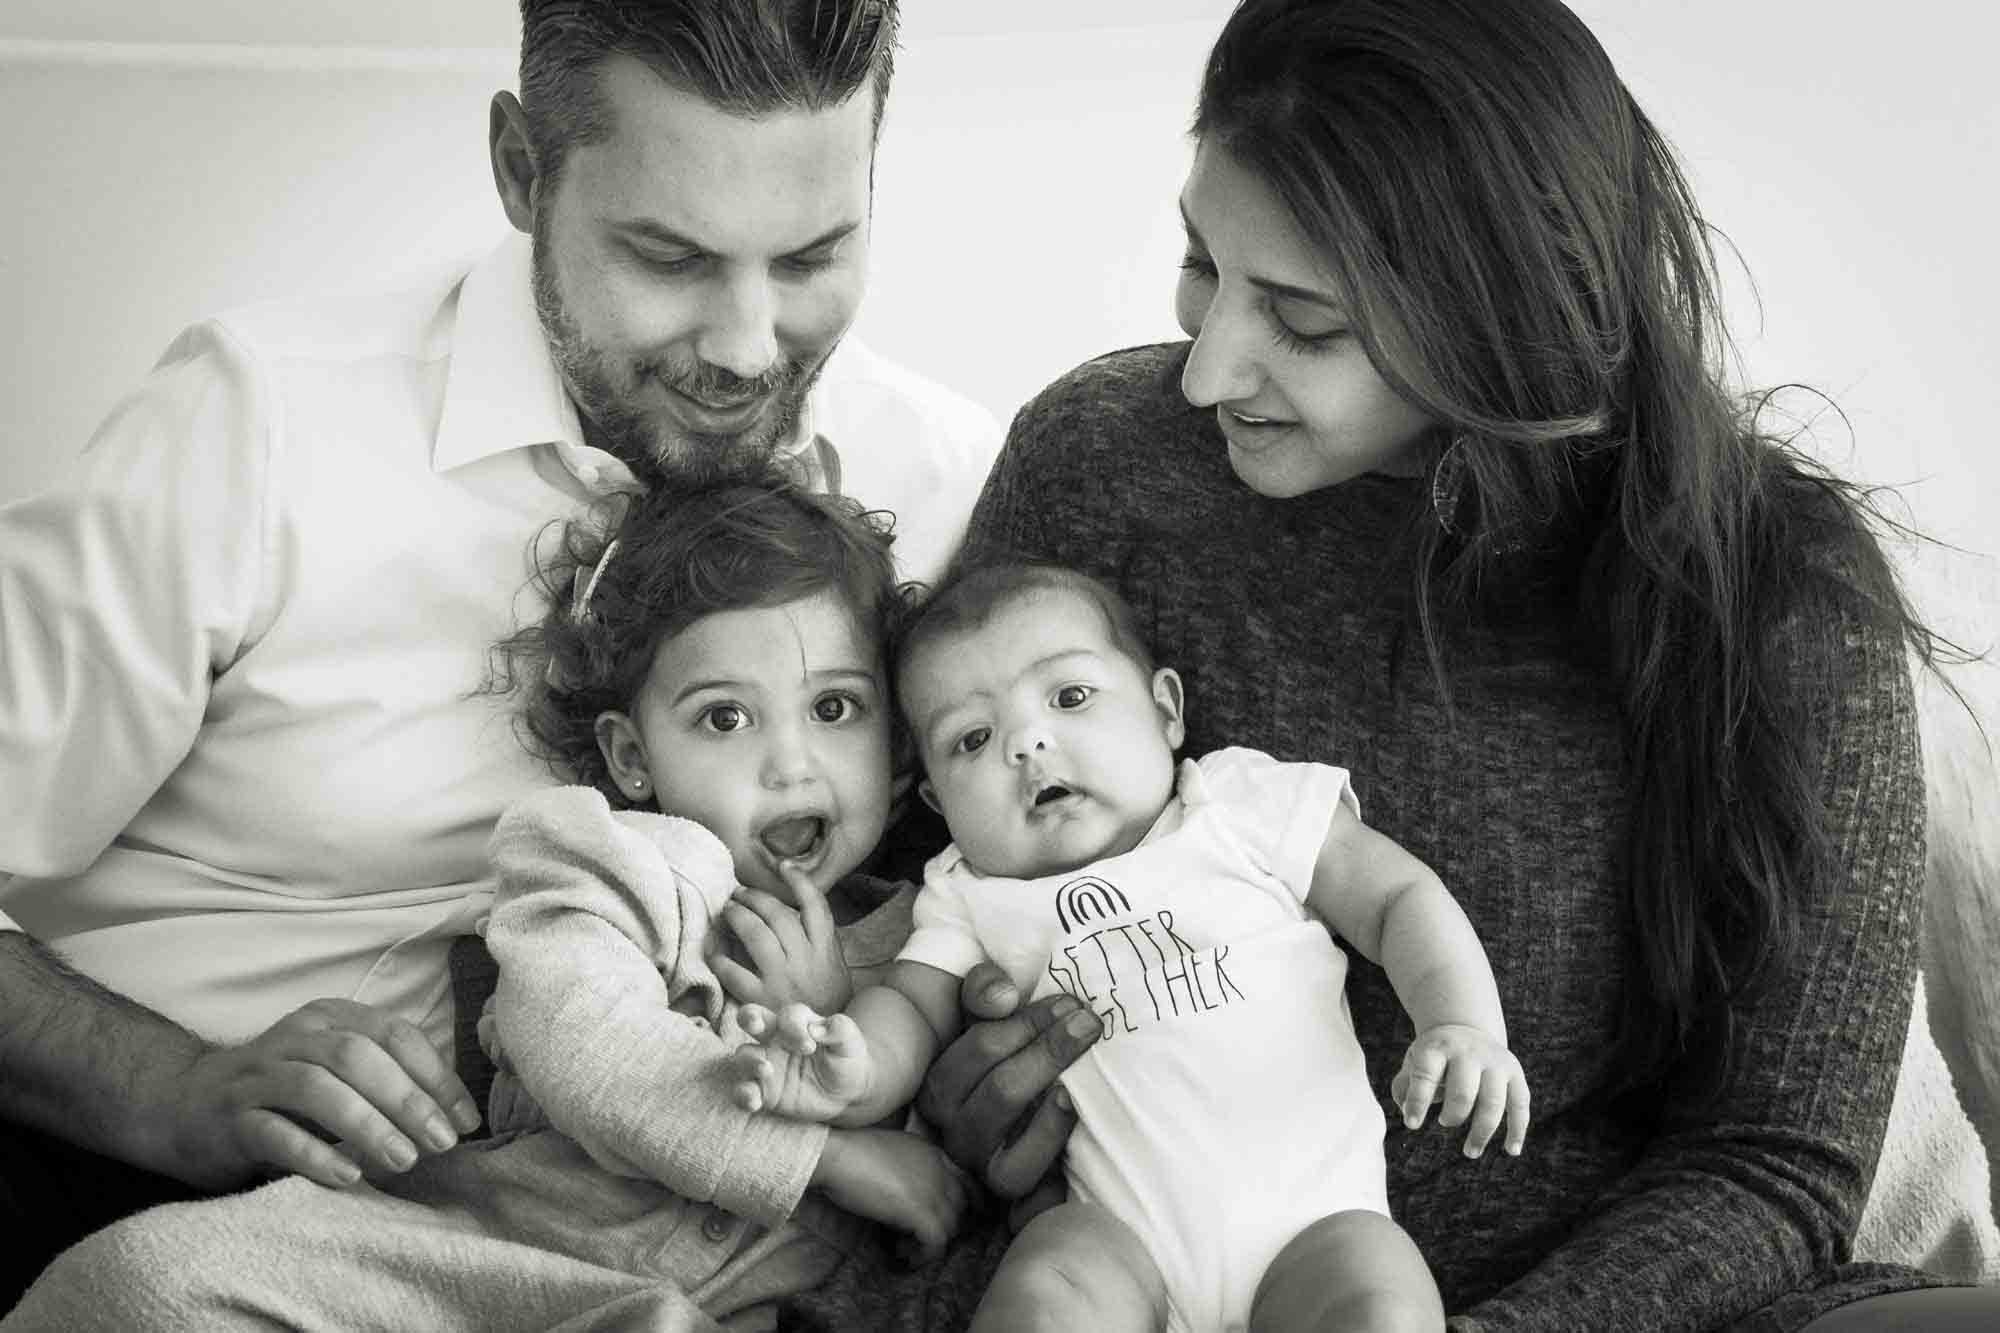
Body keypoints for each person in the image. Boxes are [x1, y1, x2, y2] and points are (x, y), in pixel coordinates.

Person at [785, 0, 2000, 1329]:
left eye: (1302, 324)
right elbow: (933, 885)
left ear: (1499, 315)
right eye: (1202, 265)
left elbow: (1780, 1164)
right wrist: (956, 1095)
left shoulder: (1777, 597)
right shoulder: (1101, 467)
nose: (1206, 370)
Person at [0, 0, 1001, 1306]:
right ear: (524, 170)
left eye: (810, 257)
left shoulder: (937, 483)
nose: (749, 346)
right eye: (669, 257)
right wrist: (170, 1092)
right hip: (176, 1184)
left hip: (668, 1225)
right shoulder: (260, 426)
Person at [5, 478, 984, 1329]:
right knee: (144, 1281)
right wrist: (816, 1159)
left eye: (835, 707)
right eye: (723, 717)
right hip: (482, 1260)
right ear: (632, 757)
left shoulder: (932, 930)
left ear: (897, 739)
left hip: (702, 1310)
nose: (789, 761)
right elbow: (586, 1047)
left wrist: (846, 1027)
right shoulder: (603, 866)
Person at [731, 560, 1531, 1332]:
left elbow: (1397, 897)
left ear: (1167, 710)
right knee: (1049, 1279)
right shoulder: (968, 890)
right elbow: (910, 1006)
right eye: (972, 739)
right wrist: (856, 1065)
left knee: (1380, 1291)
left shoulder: (1234, 806)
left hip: (1315, 1221)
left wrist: (1463, 1024)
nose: (1025, 744)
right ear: (938, 801)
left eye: (1070, 695)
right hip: (1118, 1247)